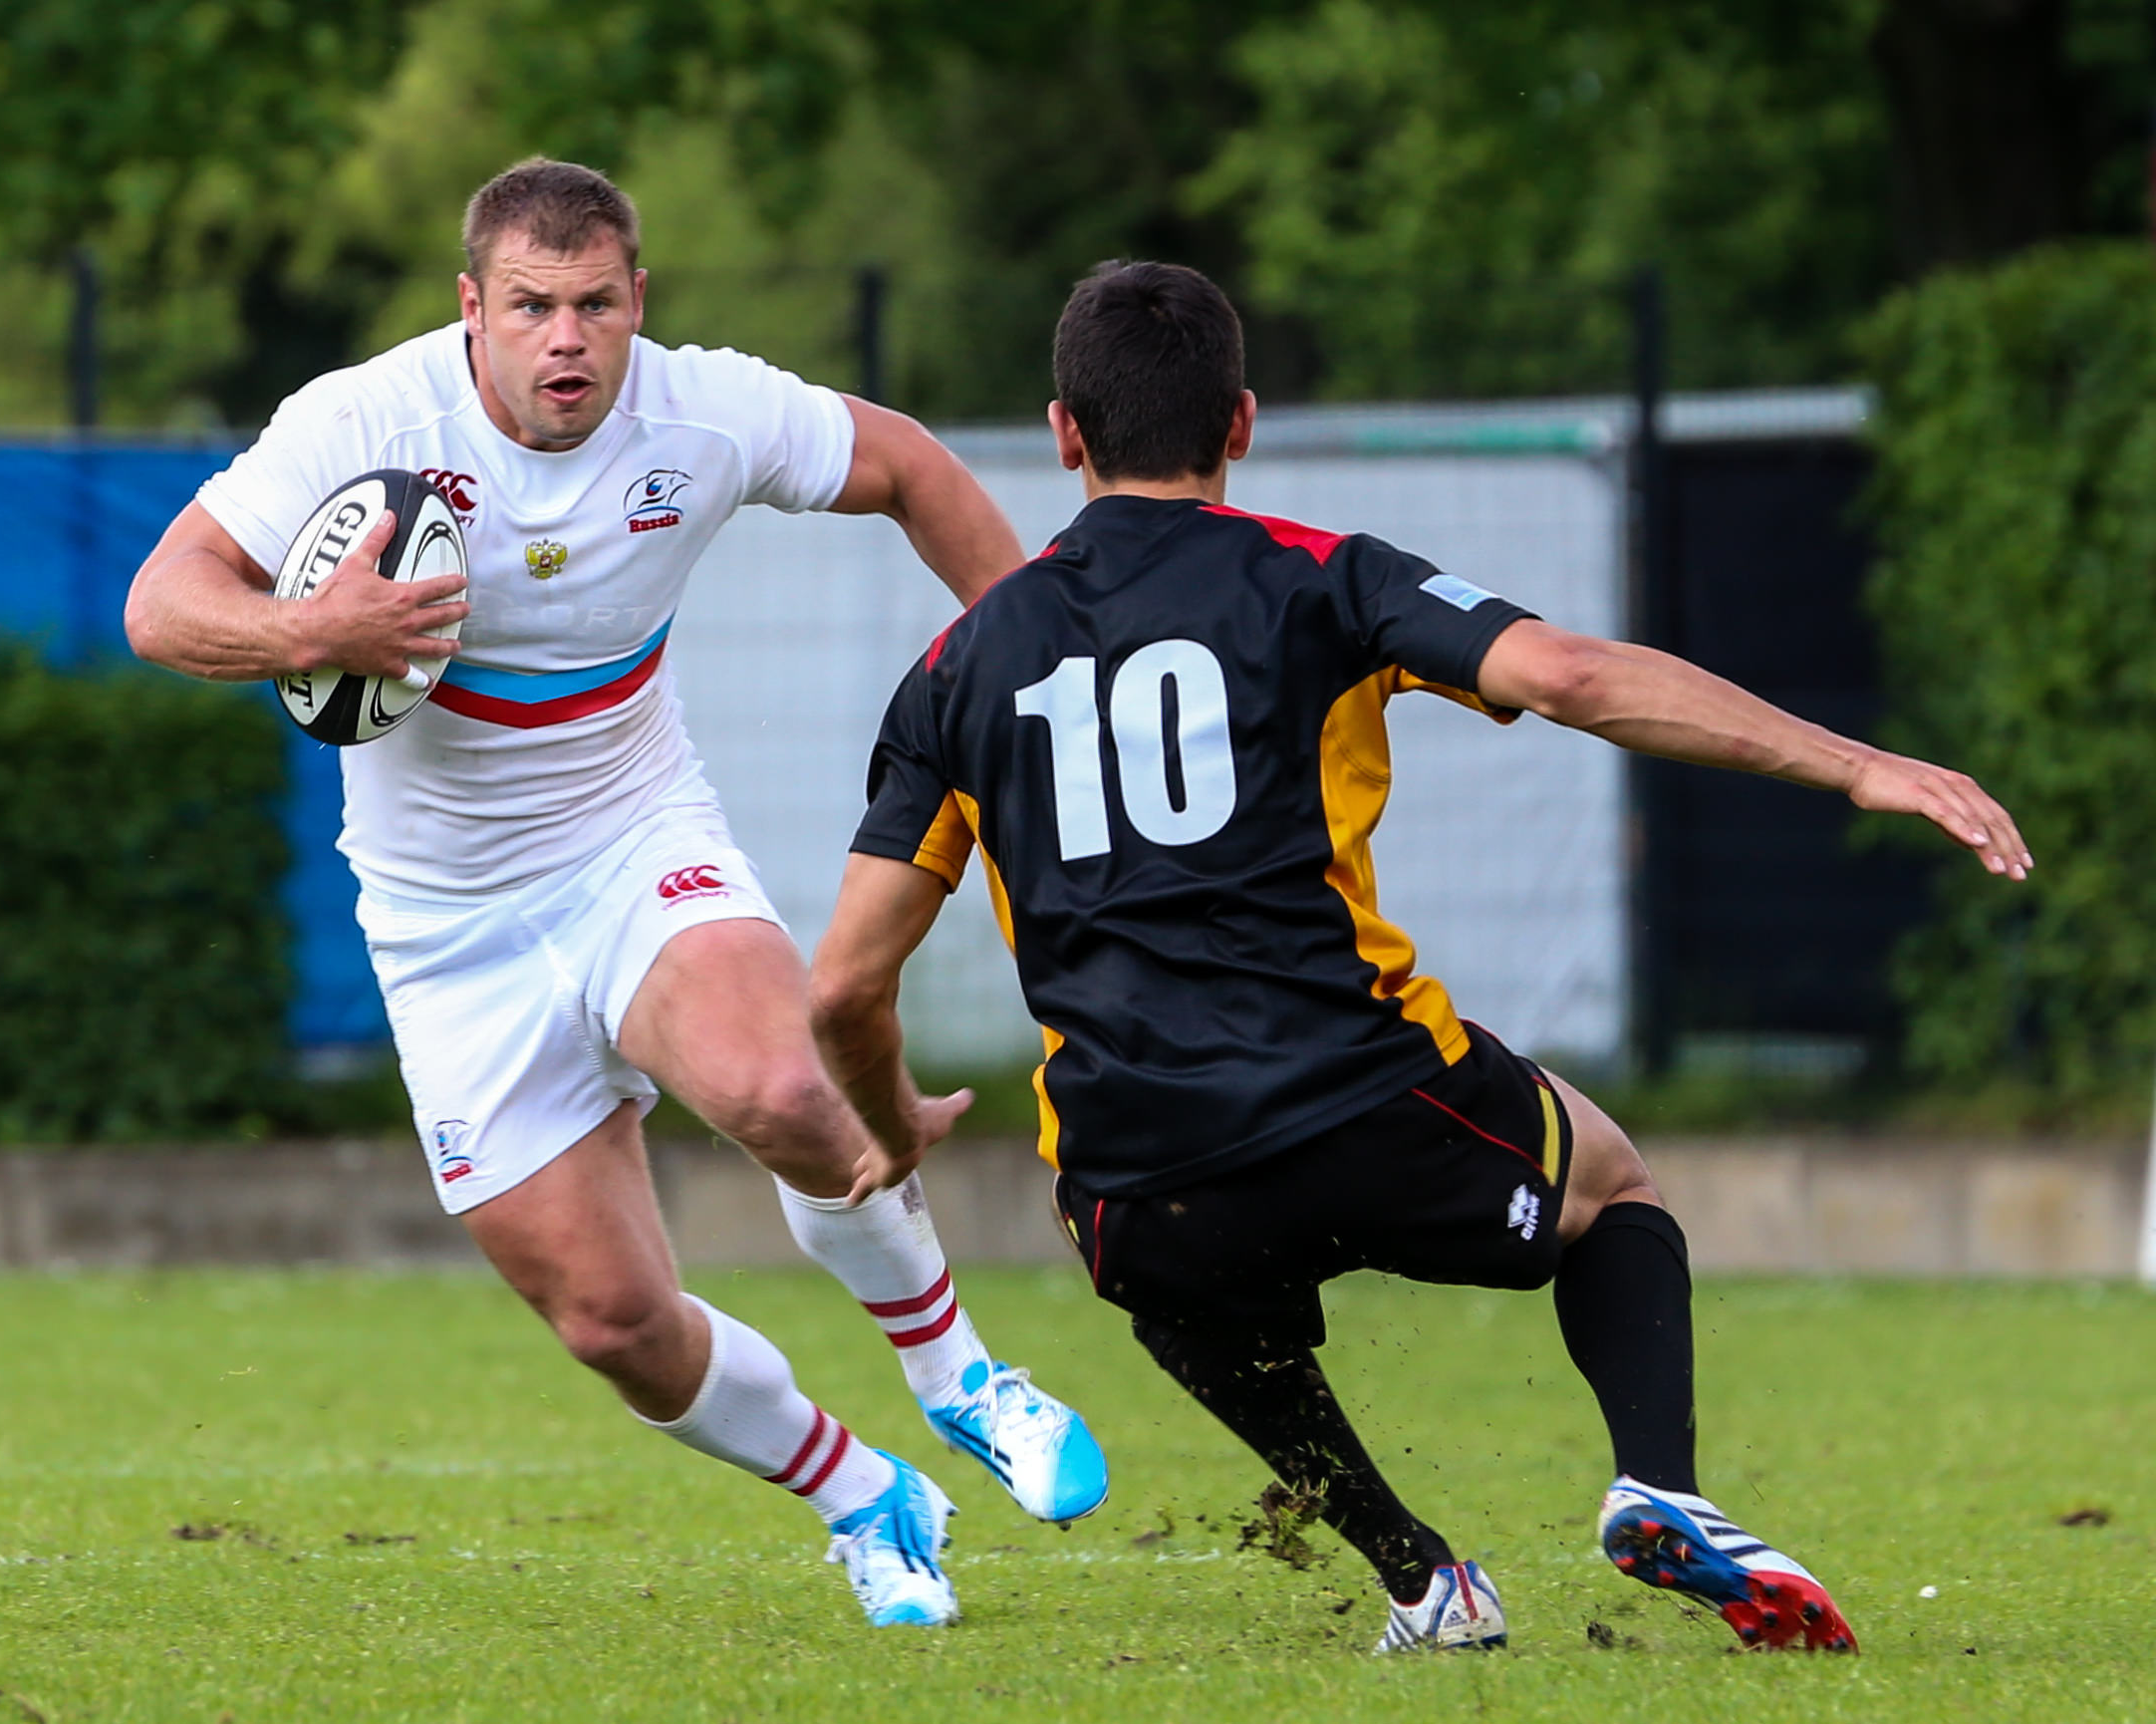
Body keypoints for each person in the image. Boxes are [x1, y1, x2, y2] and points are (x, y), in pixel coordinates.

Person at [807, 261, 2034, 1653]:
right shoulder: (1321, 576)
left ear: (1064, 433)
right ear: (1243, 421)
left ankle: (1420, 1578)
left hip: (1143, 1169)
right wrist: (1857, 765)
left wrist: (890, 1126)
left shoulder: (955, 668)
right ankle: (1660, 1484)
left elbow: (843, 984)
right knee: (1610, 1182)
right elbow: (1572, 678)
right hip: (1363, 1098)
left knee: (1152, 1269)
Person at [123, 158, 1107, 1630]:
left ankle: (960, 1375)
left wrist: (1041, 678)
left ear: (639, 300)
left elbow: (911, 468)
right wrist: (309, 627)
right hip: (443, 926)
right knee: (613, 1321)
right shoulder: (364, 421)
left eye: (595, 304)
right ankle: (864, 1494)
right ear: (472, 307)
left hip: (632, 838)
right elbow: (160, 603)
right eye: (532, 306)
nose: (567, 338)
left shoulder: (701, 412)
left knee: (783, 1085)